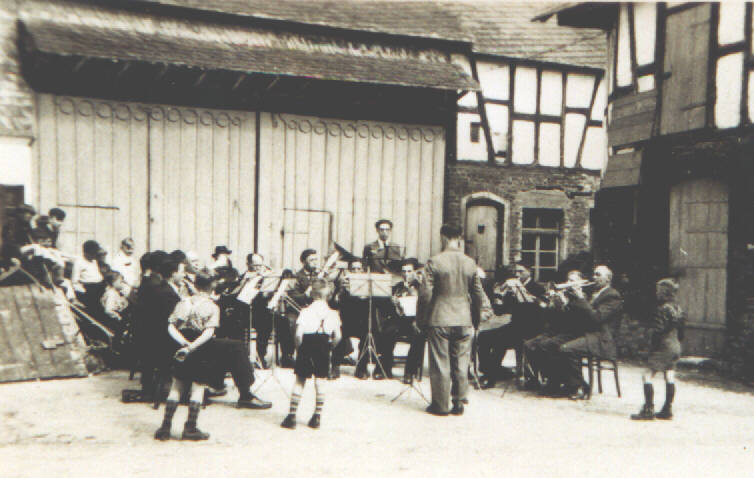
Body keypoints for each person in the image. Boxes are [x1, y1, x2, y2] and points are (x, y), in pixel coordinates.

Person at [419, 224, 491, 416]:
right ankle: (459, 402)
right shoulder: (470, 263)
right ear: (460, 238)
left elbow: (425, 294)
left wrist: (421, 319)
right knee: (461, 361)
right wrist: (475, 319)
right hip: (464, 318)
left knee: (441, 363)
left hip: (440, 317)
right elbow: (478, 294)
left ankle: (441, 406)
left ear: (442, 237)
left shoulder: (435, 261)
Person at [154, 273, 220, 441]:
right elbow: (209, 332)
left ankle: (165, 427)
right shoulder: (212, 307)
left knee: (176, 385)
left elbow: (171, 327)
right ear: (212, 287)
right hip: (201, 347)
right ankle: (190, 428)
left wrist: (183, 343)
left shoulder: (182, 303)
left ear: (195, 285)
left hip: (180, 344)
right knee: (198, 387)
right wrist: (192, 347)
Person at [281, 278, 342, 430]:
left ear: (312, 294)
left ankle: (292, 416)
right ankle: (317, 417)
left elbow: (298, 335)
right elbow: (338, 337)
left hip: (306, 345)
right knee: (320, 381)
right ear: (328, 295)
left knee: (300, 380)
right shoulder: (333, 314)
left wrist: (299, 348)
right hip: (323, 346)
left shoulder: (305, 311)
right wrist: (330, 347)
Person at [523, 271, 596, 397]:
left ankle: (556, 382)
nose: (568, 283)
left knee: (546, 345)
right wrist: (553, 304)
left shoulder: (584, 296)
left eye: (572, 280)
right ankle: (546, 378)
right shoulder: (566, 294)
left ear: (580, 282)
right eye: (568, 280)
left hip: (576, 332)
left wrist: (572, 301)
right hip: (560, 330)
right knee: (529, 345)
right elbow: (555, 319)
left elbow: (587, 317)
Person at [560, 265, 623, 399]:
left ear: (608, 279)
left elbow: (597, 318)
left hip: (601, 338)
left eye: (598, 275)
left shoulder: (612, 296)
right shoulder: (593, 293)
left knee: (567, 349)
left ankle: (581, 387)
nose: (594, 277)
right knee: (555, 344)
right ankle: (564, 383)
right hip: (589, 335)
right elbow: (583, 316)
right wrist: (567, 302)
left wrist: (581, 299)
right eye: (594, 274)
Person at [478, 263, 546, 389]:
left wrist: (531, 300)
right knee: (483, 336)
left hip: (531, 328)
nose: (517, 274)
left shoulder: (537, 288)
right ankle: (487, 370)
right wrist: (499, 298)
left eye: (521, 271)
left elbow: (542, 312)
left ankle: (491, 377)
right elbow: (501, 311)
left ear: (529, 272)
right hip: (515, 326)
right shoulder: (513, 288)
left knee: (500, 341)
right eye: (516, 272)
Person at [631, 278, 685, 420]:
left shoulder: (662, 309)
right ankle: (667, 409)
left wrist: (652, 348)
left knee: (647, 375)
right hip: (675, 345)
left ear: (663, 292)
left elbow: (658, 331)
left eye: (658, 291)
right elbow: (682, 332)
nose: (656, 293)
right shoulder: (678, 308)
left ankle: (648, 409)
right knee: (669, 376)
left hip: (664, 345)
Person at [377, 258, 424, 383]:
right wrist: (392, 303)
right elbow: (387, 310)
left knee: (418, 336)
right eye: (404, 271)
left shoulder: (421, 287)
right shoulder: (398, 287)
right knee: (387, 331)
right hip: (399, 320)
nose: (406, 274)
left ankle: (410, 372)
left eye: (409, 271)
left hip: (414, 321)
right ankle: (385, 369)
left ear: (415, 272)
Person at [282, 248, 320, 367]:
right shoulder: (296, 276)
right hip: (298, 309)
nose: (315, 262)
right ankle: (288, 356)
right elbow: (293, 295)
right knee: (290, 321)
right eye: (311, 260)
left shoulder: (319, 275)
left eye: (316, 259)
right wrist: (306, 295)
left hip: (314, 309)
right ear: (303, 262)